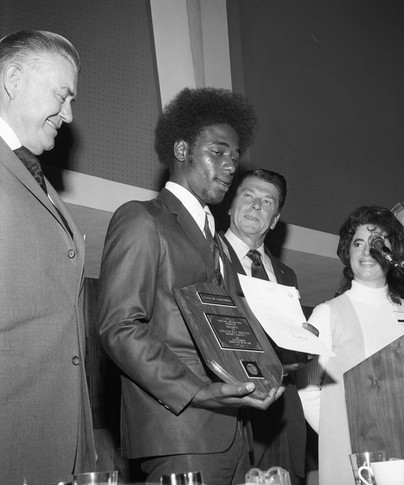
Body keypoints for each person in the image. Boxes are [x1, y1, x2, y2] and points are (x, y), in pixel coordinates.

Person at [97, 87, 284, 485]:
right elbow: (118, 327)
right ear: (182, 151)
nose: (230, 166)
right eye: (218, 153)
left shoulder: (215, 240)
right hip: (178, 434)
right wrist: (198, 392)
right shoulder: (142, 219)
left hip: (234, 437)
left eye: (234, 158)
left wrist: (270, 367)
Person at [0, 30, 96, 484]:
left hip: (56, 436)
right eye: (62, 95)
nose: (70, 113)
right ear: (13, 79)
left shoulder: (32, 174)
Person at [298, 206, 404, 485]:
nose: (367, 250)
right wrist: (341, 439)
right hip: (355, 458)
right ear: (349, 252)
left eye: (377, 243)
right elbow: (309, 390)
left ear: (392, 253)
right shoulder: (326, 313)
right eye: (358, 243)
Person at [219, 169, 307, 485]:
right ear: (230, 206)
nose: (257, 205)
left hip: (282, 415)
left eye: (267, 201)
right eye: (248, 195)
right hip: (231, 412)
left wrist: (304, 343)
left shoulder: (287, 275)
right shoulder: (204, 254)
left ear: (274, 219)